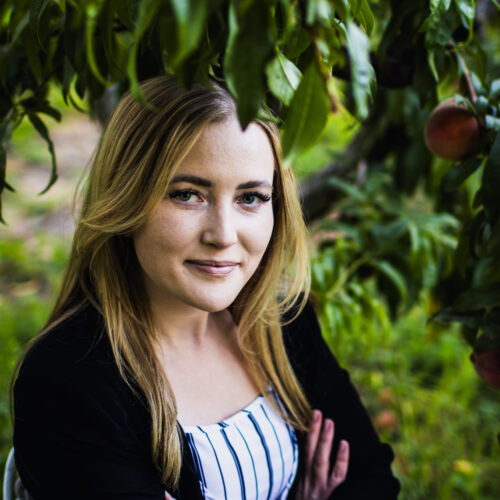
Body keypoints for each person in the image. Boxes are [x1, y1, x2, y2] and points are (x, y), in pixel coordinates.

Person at [12, 76, 400, 500]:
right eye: (187, 195)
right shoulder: (68, 382)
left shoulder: (282, 322)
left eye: (250, 198)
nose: (223, 235)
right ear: (125, 198)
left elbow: (372, 479)